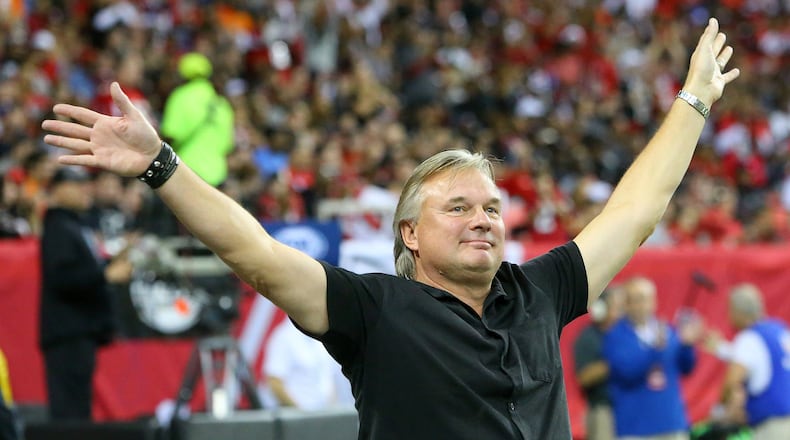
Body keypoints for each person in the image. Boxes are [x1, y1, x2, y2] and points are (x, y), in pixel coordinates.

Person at [41, 18, 738, 439]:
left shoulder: (541, 291)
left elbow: (638, 210)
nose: (483, 220)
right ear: (409, 234)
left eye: (492, 208)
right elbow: (251, 252)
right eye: (458, 207)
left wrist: (693, 100)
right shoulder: (374, 310)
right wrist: (161, 165)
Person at [38, 166, 133, 420]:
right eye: (77, 184)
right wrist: (106, 275)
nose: (86, 190)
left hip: (79, 331)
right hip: (68, 332)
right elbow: (62, 278)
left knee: (78, 408)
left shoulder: (75, 224)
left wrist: (112, 260)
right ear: (58, 189)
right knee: (70, 413)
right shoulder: (59, 225)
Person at [604, 276, 703, 440]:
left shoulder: (667, 330)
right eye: (637, 300)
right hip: (636, 426)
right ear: (626, 304)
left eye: (647, 298)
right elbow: (627, 372)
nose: (643, 305)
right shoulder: (616, 336)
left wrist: (687, 345)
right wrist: (654, 352)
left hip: (671, 422)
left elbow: (686, 367)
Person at [708, 284, 790, 440]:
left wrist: (720, 409)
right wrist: (722, 349)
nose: (728, 316)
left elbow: (732, 380)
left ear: (739, 312)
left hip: (773, 425)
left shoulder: (749, 337)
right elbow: (764, 361)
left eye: (729, 310)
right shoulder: (779, 330)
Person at [160, 52, 234, 187]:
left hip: (187, 172)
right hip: (217, 176)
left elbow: (170, 136)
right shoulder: (222, 104)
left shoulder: (180, 96)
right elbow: (227, 146)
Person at [261, 319, 350, 410]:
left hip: (323, 415)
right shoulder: (284, 337)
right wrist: (299, 413)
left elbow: (327, 377)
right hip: (298, 418)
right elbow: (274, 382)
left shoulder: (321, 335)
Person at [573, 286, 624, 440]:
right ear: (601, 309)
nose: (622, 312)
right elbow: (583, 378)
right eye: (618, 307)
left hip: (629, 408)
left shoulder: (626, 334)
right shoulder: (588, 337)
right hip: (603, 411)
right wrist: (617, 361)